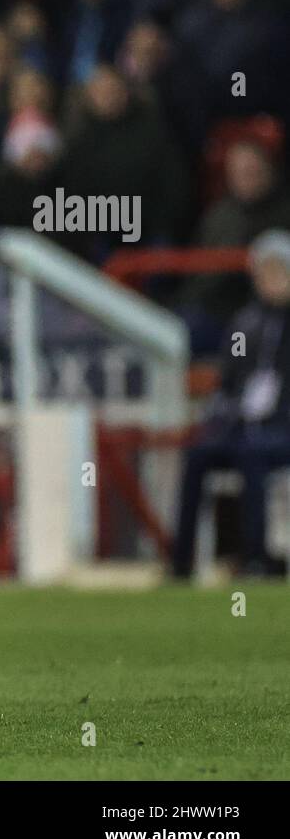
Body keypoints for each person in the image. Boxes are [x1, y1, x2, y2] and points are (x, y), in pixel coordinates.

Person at [173, 229, 290, 578]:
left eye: (279, 272)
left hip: (282, 428)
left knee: (251, 453)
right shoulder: (245, 324)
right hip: (244, 428)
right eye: (265, 273)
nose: (271, 281)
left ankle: (255, 558)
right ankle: (181, 561)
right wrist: (228, 412)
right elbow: (228, 382)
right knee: (198, 454)